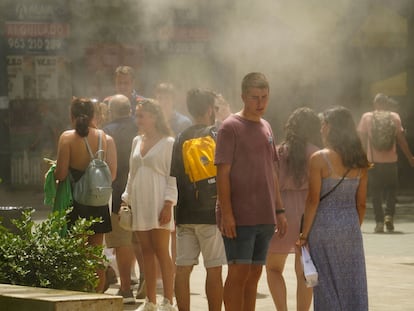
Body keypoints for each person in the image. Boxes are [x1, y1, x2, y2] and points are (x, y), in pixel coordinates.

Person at [215, 72, 287, 311]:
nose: (260, 103)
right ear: (243, 96)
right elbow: (222, 173)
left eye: (264, 97)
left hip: (265, 215)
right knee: (238, 273)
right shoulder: (230, 127)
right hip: (239, 216)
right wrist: (227, 213)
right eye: (255, 97)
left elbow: (272, 172)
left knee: (254, 275)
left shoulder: (266, 126)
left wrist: (279, 210)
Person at [298, 106, 370, 311]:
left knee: (327, 283)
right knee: (353, 281)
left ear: (329, 127)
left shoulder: (320, 158)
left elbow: (313, 200)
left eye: (323, 125)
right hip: (350, 226)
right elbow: (361, 203)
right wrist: (352, 225)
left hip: (323, 227)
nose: (321, 129)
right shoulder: (360, 160)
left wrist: (303, 235)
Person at [171, 88, 227, 311]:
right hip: (211, 214)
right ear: (208, 110)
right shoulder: (216, 135)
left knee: (183, 269)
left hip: (185, 214)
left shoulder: (180, 138)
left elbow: (175, 177)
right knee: (213, 269)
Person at [54, 97, 117, 293]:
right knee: (96, 255)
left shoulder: (67, 138)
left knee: (78, 252)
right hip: (98, 201)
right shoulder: (103, 137)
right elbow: (112, 175)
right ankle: (96, 296)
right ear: (93, 116)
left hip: (77, 201)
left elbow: (61, 174)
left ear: (71, 116)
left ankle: (80, 295)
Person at [121, 99, 178, 311]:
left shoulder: (168, 142)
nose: (138, 120)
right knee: (146, 251)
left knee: (162, 250)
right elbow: (132, 173)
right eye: (137, 115)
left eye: (141, 115)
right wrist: (126, 199)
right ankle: (151, 301)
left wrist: (168, 204)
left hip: (159, 199)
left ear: (154, 117)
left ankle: (168, 301)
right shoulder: (137, 141)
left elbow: (173, 177)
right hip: (140, 200)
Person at [266, 107, 321, 311]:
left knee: (273, 269)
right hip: (309, 215)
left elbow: (271, 186)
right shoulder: (317, 153)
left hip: (281, 214)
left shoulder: (279, 152)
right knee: (304, 272)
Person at [357, 93, 414, 233]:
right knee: (391, 189)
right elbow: (401, 140)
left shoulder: (367, 117)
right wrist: (410, 157)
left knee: (375, 192)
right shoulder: (394, 117)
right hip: (391, 161)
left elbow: (361, 139)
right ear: (387, 104)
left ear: (375, 104)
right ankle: (389, 215)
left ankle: (379, 222)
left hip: (373, 162)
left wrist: (360, 157)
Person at [103, 94, 138, 303]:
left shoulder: (107, 132)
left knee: (122, 241)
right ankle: (145, 284)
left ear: (111, 111)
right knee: (140, 241)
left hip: (118, 194)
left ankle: (126, 288)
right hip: (141, 192)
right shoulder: (142, 126)